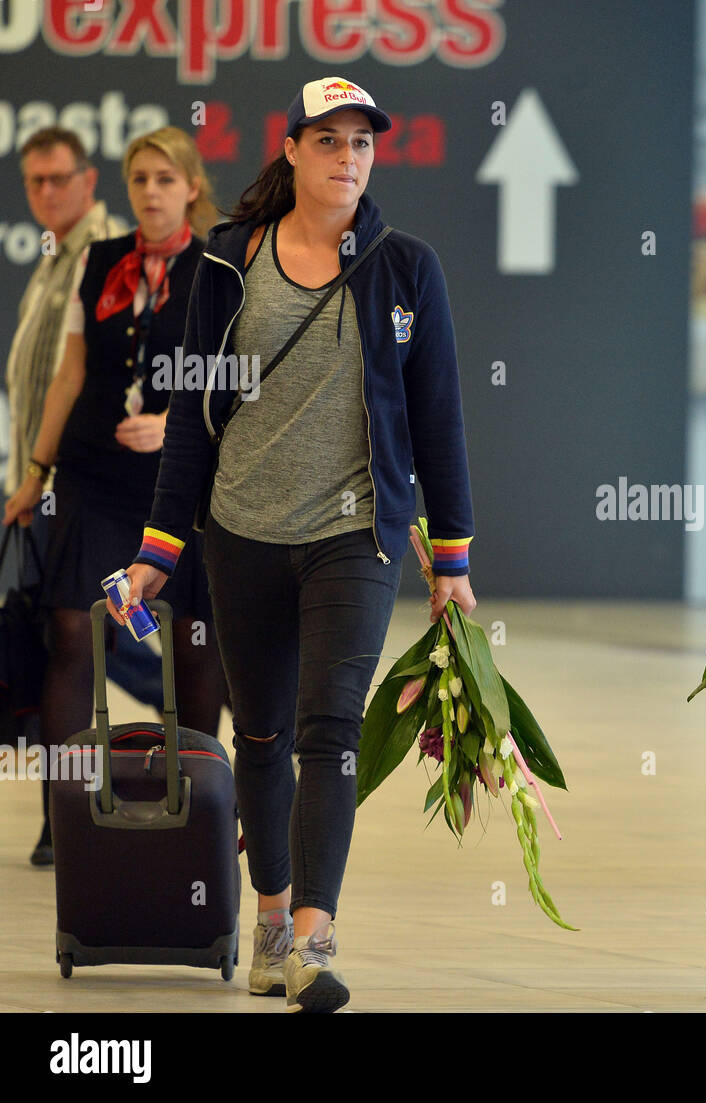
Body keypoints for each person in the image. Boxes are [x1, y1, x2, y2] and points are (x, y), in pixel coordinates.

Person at [107, 78, 476, 1013]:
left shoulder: (406, 268)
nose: (348, 158)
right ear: (292, 152)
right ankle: (267, 923)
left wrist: (455, 562)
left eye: (363, 143)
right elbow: (193, 422)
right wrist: (159, 548)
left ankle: (314, 937)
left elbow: (440, 422)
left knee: (330, 731)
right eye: (329, 141)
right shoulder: (226, 264)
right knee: (261, 737)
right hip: (240, 533)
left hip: (356, 532)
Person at [4, 128, 224, 864]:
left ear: (191, 186)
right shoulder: (100, 261)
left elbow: (239, 377)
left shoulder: (221, 266)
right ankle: (65, 813)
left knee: (192, 642)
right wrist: (36, 471)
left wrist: (173, 425)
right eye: (140, 180)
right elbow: (69, 375)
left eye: (166, 178)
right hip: (93, 474)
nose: (152, 191)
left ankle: (190, 805)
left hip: (181, 481)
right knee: (70, 631)